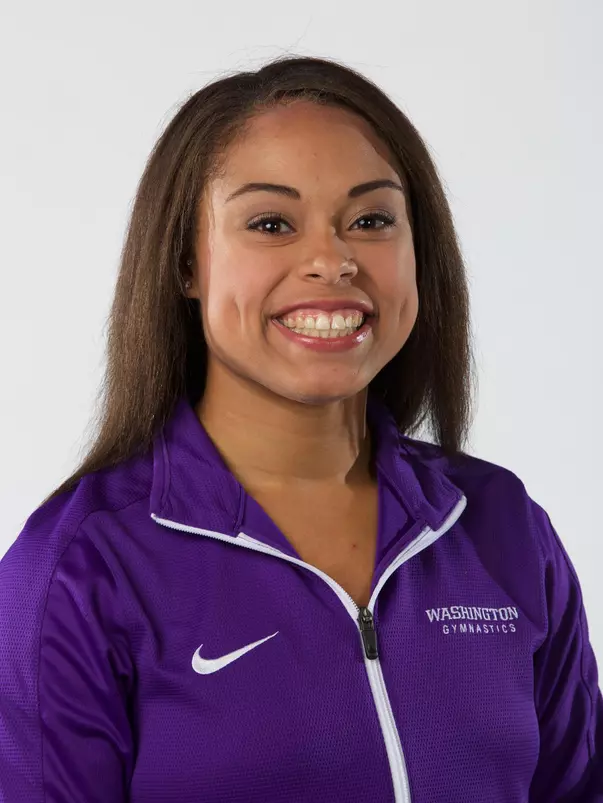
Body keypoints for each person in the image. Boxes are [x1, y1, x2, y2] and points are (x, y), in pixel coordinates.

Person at [0, 54, 601, 803]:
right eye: (271, 223)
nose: (331, 259)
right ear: (186, 262)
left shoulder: (500, 526)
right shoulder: (81, 565)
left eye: (371, 219)